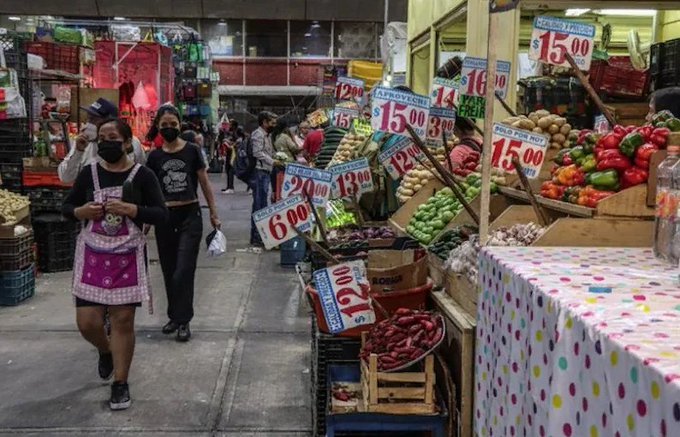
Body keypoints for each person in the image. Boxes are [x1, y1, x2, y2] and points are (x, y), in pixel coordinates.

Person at [62, 118, 168, 411]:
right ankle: (105, 350)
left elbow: (161, 214)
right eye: (103, 138)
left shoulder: (142, 176)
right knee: (87, 322)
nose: (107, 143)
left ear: (126, 142)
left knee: (122, 321)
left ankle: (120, 383)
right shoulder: (89, 174)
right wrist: (80, 211)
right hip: (93, 257)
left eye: (113, 138)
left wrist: (133, 209)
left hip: (126, 257)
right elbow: (67, 207)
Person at [145, 105, 221, 342]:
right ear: (158, 126)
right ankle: (174, 317)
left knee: (183, 270)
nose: (169, 128)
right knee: (168, 270)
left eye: (172, 124)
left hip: (190, 215)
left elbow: (205, 183)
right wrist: (146, 220)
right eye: (164, 125)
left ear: (179, 125)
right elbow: (150, 190)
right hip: (164, 218)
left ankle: (185, 319)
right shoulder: (154, 156)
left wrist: (213, 213)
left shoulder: (192, 150)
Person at [58, 98, 146, 183]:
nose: (88, 123)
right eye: (88, 119)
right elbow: (65, 178)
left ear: (109, 122)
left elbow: (141, 175)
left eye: (93, 119)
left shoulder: (131, 143)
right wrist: (78, 152)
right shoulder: (83, 144)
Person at [249, 111, 280, 249]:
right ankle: (257, 237)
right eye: (272, 122)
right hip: (260, 172)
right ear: (264, 122)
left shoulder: (267, 135)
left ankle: (258, 236)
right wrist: (273, 161)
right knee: (259, 205)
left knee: (262, 204)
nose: (274, 125)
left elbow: (267, 152)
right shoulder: (258, 134)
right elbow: (257, 153)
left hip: (266, 172)